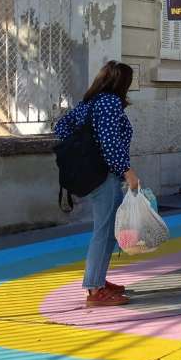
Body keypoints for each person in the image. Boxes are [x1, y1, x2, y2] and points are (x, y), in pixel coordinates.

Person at [54, 61, 140, 307]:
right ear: (122, 83)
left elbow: (61, 127)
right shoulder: (110, 104)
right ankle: (94, 290)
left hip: (90, 175)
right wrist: (127, 172)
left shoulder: (88, 103)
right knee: (104, 232)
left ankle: (98, 281)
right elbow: (111, 143)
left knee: (108, 230)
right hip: (104, 176)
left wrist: (83, 148)